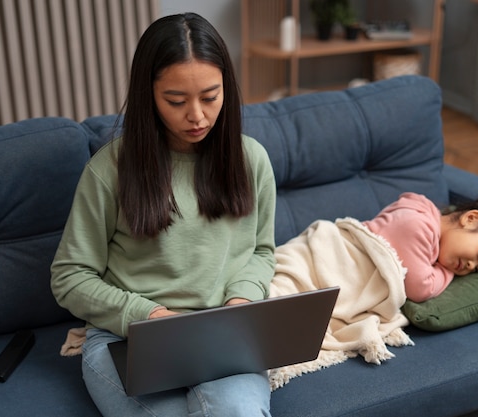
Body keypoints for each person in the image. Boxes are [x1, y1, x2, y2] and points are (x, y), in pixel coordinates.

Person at [50, 13, 277, 417]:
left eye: (210, 97)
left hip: (221, 334)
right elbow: (69, 277)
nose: (197, 116)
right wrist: (149, 315)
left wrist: (242, 301)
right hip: (131, 335)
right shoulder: (109, 171)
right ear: (148, 95)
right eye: (176, 101)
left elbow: (261, 251)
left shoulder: (251, 160)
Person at [362, 185, 478, 302]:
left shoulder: (431, 235)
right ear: (470, 219)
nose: (472, 266)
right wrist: (446, 272)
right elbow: (420, 289)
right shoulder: (417, 225)